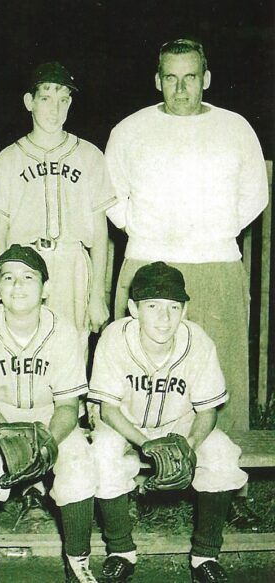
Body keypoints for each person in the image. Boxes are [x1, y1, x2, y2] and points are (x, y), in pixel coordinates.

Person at [105, 39, 268, 432]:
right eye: (171, 79)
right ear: (157, 80)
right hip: (148, 260)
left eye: (190, 78)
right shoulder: (131, 129)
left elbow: (255, 194)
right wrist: (146, 229)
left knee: (219, 369)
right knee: (137, 370)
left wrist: (215, 230)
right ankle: (129, 466)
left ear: (206, 79)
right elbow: (110, 194)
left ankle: (226, 467)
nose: (181, 89)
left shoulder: (235, 128)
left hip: (217, 263)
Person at [89, 262, 248, 583]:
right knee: (102, 451)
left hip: (179, 425)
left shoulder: (198, 341)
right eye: (153, 306)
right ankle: (120, 551)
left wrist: (188, 447)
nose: (164, 318)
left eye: (173, 307)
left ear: (185, 309)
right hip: (126, 424)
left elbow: (207, 411)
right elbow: (107, 410)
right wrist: (145, 444)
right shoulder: (114, 337)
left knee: (220, 452)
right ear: (134, 308)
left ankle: (205, 554)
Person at [0, 245, 98, 583]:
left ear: (46, 289)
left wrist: (47, 439)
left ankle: (78, 559)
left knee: (77, 461)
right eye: (8, 278)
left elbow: (68, 405)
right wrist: (7, 432)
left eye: (28, 278)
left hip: (51, 417)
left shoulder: (63, 330)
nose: (17, 286)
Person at [0, 62, 114, 350]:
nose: (55, 109)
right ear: (29, 102)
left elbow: (100, 234)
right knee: (22, 350)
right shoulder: (9, 158)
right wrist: (0, 288)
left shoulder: (89, 155)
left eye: (63, 100)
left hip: (72, 262)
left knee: (72, 353)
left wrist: (97, 296)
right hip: (24, 264)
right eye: (46, 99)